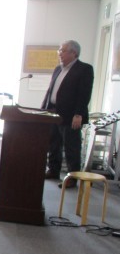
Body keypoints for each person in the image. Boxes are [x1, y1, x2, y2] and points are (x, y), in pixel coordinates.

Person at [41, 40, 94, 188]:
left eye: (63, 51)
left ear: (74, 53)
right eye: (59, 50)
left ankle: (72, 177)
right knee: (53, 143)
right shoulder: (58, 69)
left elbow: (84, 94)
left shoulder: (84, 69)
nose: (60, 53)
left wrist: (78, 114)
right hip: (53, 112)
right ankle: (53, 170)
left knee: (71, 147)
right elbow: (50, 91)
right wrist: (43, 109)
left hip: (71, 116)